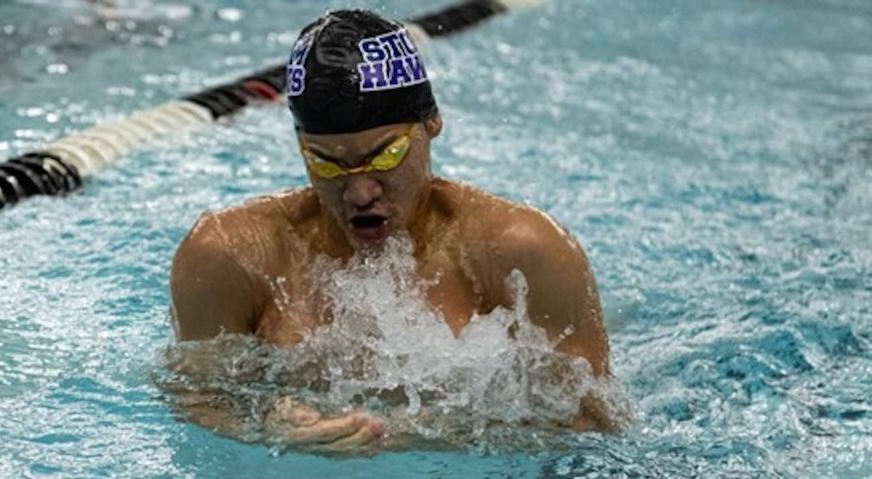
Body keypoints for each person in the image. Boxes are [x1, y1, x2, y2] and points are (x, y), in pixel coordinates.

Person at [169, 9, 614, 453]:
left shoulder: (522, 252)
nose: (360, 193)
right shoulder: (231, 255)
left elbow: (592, 422)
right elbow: (196, 398)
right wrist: (264, 427)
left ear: (431, 123)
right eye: (326, 163)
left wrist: (407, 436)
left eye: (385, 156)